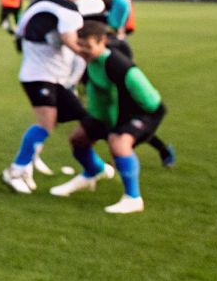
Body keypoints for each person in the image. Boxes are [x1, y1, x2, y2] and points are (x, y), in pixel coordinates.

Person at [48, 19, 168, 214]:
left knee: (119, 144)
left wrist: (124, 127)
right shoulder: (88, 62)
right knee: (78, 139)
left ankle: (133, 198)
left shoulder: (119, 65)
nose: (83, 51)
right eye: (80, 45)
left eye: (88, 46)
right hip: (107, 114)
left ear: (102, 41)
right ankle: (94, 172)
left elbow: (151, 102)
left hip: (142, 113)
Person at [0, 0, 96, 194]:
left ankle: (29, 165)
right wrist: (101, 58)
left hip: (48, 75)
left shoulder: (40, 2)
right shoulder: (66, 9)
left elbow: (20, 36)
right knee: (48, 123)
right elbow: (72, 42)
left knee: (75, 120)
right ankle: (16, 170)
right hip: (41, 75)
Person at [92, 0, 176, 167]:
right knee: (117, 121)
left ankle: (124, 156)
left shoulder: (120, 1)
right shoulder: (108, 2)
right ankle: (157, 151)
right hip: (106, 52)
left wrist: (99, 22)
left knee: (123, 120)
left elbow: (114, 26)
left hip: (116, 51)